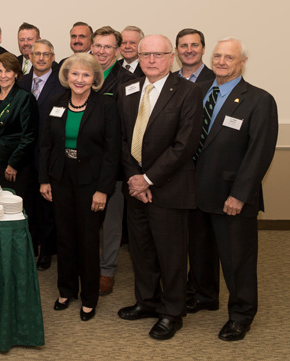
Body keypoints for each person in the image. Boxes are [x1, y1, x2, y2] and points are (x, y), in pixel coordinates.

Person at [189, 37, 278, 341]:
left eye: (229, 57)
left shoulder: (258, 99)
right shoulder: (198, 91)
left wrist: (240, 194)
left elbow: (259, 153)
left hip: (231, 195)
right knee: (200, 252)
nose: (222, 62)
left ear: (242, 62)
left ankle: (241, 314)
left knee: (237, 259)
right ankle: (205, 295)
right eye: (217, 56)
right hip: (196, 192)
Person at [117, 35, 203, 340]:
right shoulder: (129, 88)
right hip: (136, 188)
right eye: (146, 54)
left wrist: (149, 179)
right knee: (141, 251)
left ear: (172, 58)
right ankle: (147, 302)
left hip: (169, 188)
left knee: (171, 255)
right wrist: (135, 180)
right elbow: (124, 139)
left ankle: (172, 312)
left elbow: (185, 145)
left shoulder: (189, 92)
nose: (151, 59)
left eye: (158, 54)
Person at [39, 53, 120, 322]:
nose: (80, 79)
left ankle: (89, 297)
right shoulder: (56, 102)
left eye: (86, 75)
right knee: (64, 236)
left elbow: (112, 152)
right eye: (75, 74)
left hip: (91, 182)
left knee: (87, 239)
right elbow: (46, 146)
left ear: (95, 78)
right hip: (61, 177)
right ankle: (67, 290)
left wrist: (103, 190)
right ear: (67, 76)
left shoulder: (106, 106)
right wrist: (44, 179)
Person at [90, 26, 135, 296]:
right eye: (98, 45)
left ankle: (107, 270)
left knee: (111, 222)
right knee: (88, 221)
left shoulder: (127, 80)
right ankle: (89, 264)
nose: (102, 51)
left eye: (108, 47)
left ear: (117, 51)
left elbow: (127, 126)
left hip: (114, 164)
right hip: (85, 163)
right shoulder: (83, 72)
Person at [18, 39, 61, 270]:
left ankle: (46, 250)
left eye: (46, 54)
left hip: (49, 154)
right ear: (30, 57)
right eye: (37, 54)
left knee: (47, 207)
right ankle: (31, 244)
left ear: (53, 57)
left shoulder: (61, 83)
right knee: (29, 202)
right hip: (26, 153)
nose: (41, 58)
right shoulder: (23, 82)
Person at [0, 52, 37, 198]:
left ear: (15, 73)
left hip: (12, 166)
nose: (3, 75)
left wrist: (14, 164)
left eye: (8, 71)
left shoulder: (24, 98)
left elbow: (29, 136)